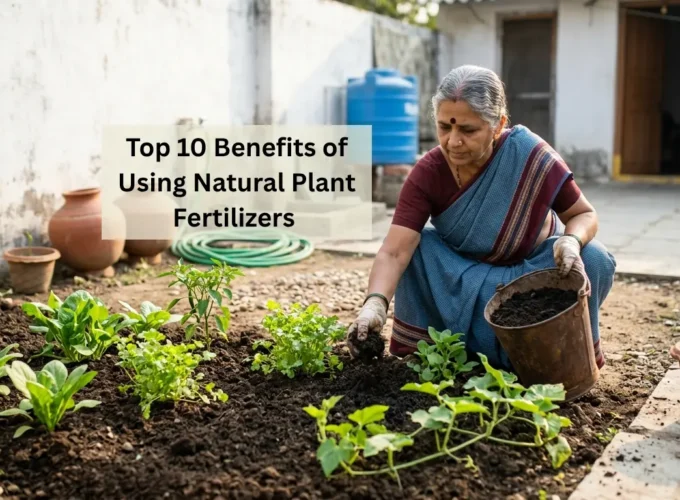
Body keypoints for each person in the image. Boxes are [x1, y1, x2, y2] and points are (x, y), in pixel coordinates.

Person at [347, 65, 617, 371]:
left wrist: (571, 239)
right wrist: (375, 303)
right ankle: (447, 355)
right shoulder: (429, 172)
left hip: (531, 280)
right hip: (462, 282)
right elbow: (395, 251)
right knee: (418, 249)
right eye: (444, 128)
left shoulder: (528, 154)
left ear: (498, 124)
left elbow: (583, 213)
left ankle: (559, 357)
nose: (452, 141)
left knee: (593, 257)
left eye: (468, 130)